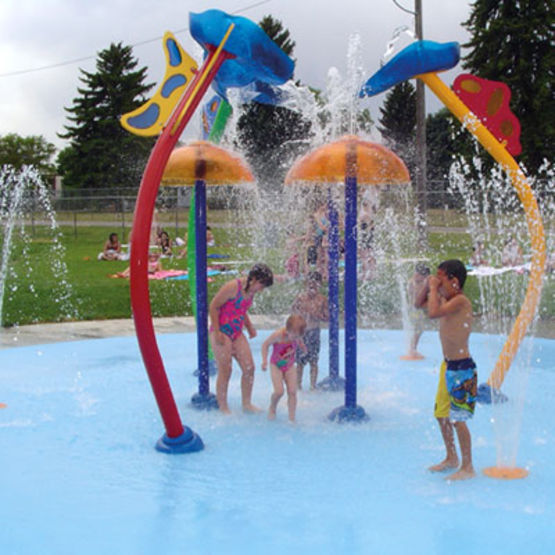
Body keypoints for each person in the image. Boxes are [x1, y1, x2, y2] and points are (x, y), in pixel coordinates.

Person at [427, 259, 477, 481]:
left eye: (442, 279)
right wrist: (432, 288)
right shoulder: (448, 300)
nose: (438, 283)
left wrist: (431, 288)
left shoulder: (461, 301)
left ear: (454, 282)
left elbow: (432, 312)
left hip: (462, 368)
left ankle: (467, 466)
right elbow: (423, 305)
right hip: (447, 366)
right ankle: (451, 457)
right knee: (441, 415)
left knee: (458, 419)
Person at [209, 263, 274, 414]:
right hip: (221, 330)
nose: (262, 289)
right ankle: (223, 406)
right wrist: (217, 332)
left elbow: (241, 309)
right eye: (262, 285)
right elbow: (214, 306)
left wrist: (249, 327)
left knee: (249, 368)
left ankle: (246, 404)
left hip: (236, 332)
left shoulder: (251, 291)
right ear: (254, 279)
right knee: (226, 369)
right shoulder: (233, 287)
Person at [261, 314, 307, 422]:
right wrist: (264, 360)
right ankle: (272, 407)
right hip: (276, 366)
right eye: (295, 336)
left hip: (290, 366)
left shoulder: (296, 335)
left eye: (298, 336)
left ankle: (292, 418)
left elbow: (299, 340)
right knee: (279, 391)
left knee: (292, 391)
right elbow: (265, 345)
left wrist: (303, 347)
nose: (296, 339)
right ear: (287, 330)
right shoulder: (278, 336)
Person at [292, 271, 329, 390]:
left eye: (315, 285)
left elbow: (327, 317)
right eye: (310, 285)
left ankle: (313, 386)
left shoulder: (322, 300)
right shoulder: (300, 298)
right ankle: (298, 386)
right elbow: (293, 313)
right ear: (306, 285)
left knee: (313, 361)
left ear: (320, 286)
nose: (312, 288)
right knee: (300, 363)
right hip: (301, 333)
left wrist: (317, 315)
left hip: (314, 331)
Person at [401, 263, 430, 360]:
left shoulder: (414, 282)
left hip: (415, 310)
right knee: (418, 330)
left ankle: (412, 348)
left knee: (417, 330)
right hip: (415, 310)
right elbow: (418, 299)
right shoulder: (416, 284)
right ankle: (412, 350)